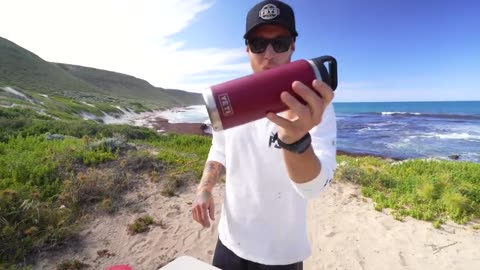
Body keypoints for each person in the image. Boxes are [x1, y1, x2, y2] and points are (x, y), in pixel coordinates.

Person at [191, 1, 337, 269]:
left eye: (279, 43)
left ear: (293, 46)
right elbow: (219, 150)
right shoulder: (231, 102)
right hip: (229, 241)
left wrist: (296, 142)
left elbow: (315, 187)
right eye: (258, 44)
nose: (268, 53)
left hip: (281, 255)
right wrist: (204, 189)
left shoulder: (314, 107)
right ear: (247, 48)